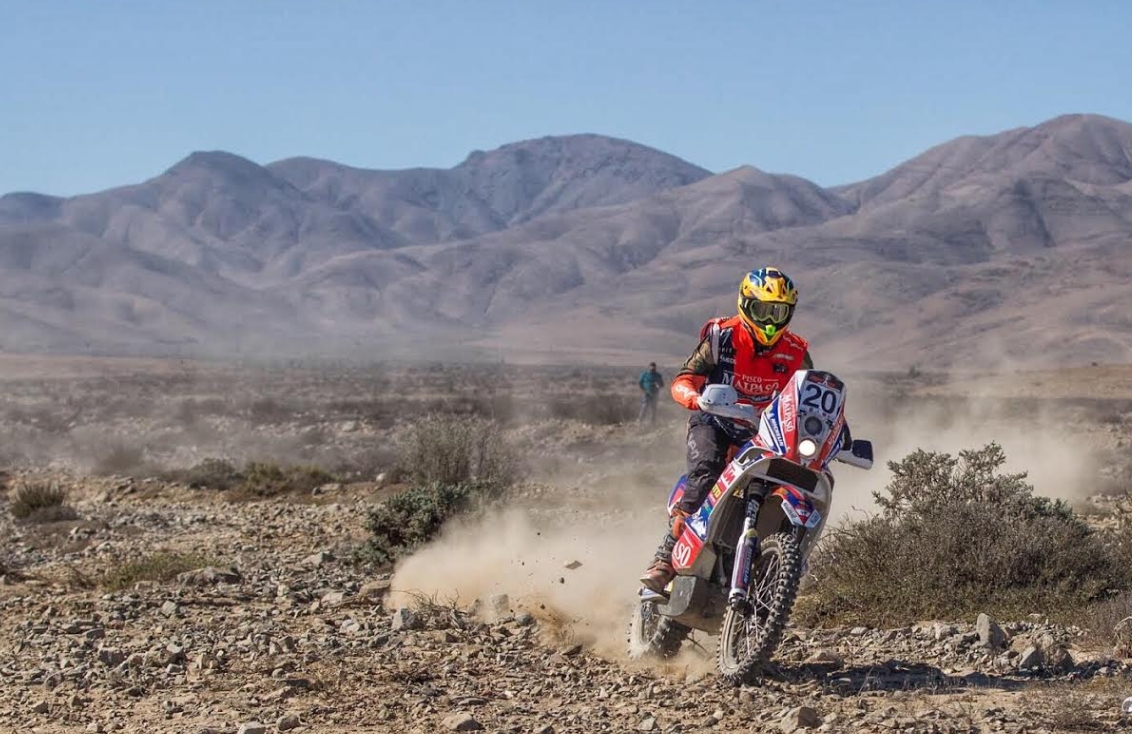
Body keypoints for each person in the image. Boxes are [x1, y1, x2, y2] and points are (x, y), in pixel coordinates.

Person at [639, 266, 814, 593]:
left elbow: (809, 397)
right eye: (763, 310)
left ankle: (780, 567)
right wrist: (695, 399)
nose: (771, 321)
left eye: (779, 312)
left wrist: (832, 430)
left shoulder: (796, 352)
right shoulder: (722, 337)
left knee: (796, 476)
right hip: (713, 420)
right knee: (707, 470)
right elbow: (683, 378)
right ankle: (665, 557)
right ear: (746, 305)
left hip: (762, 431)